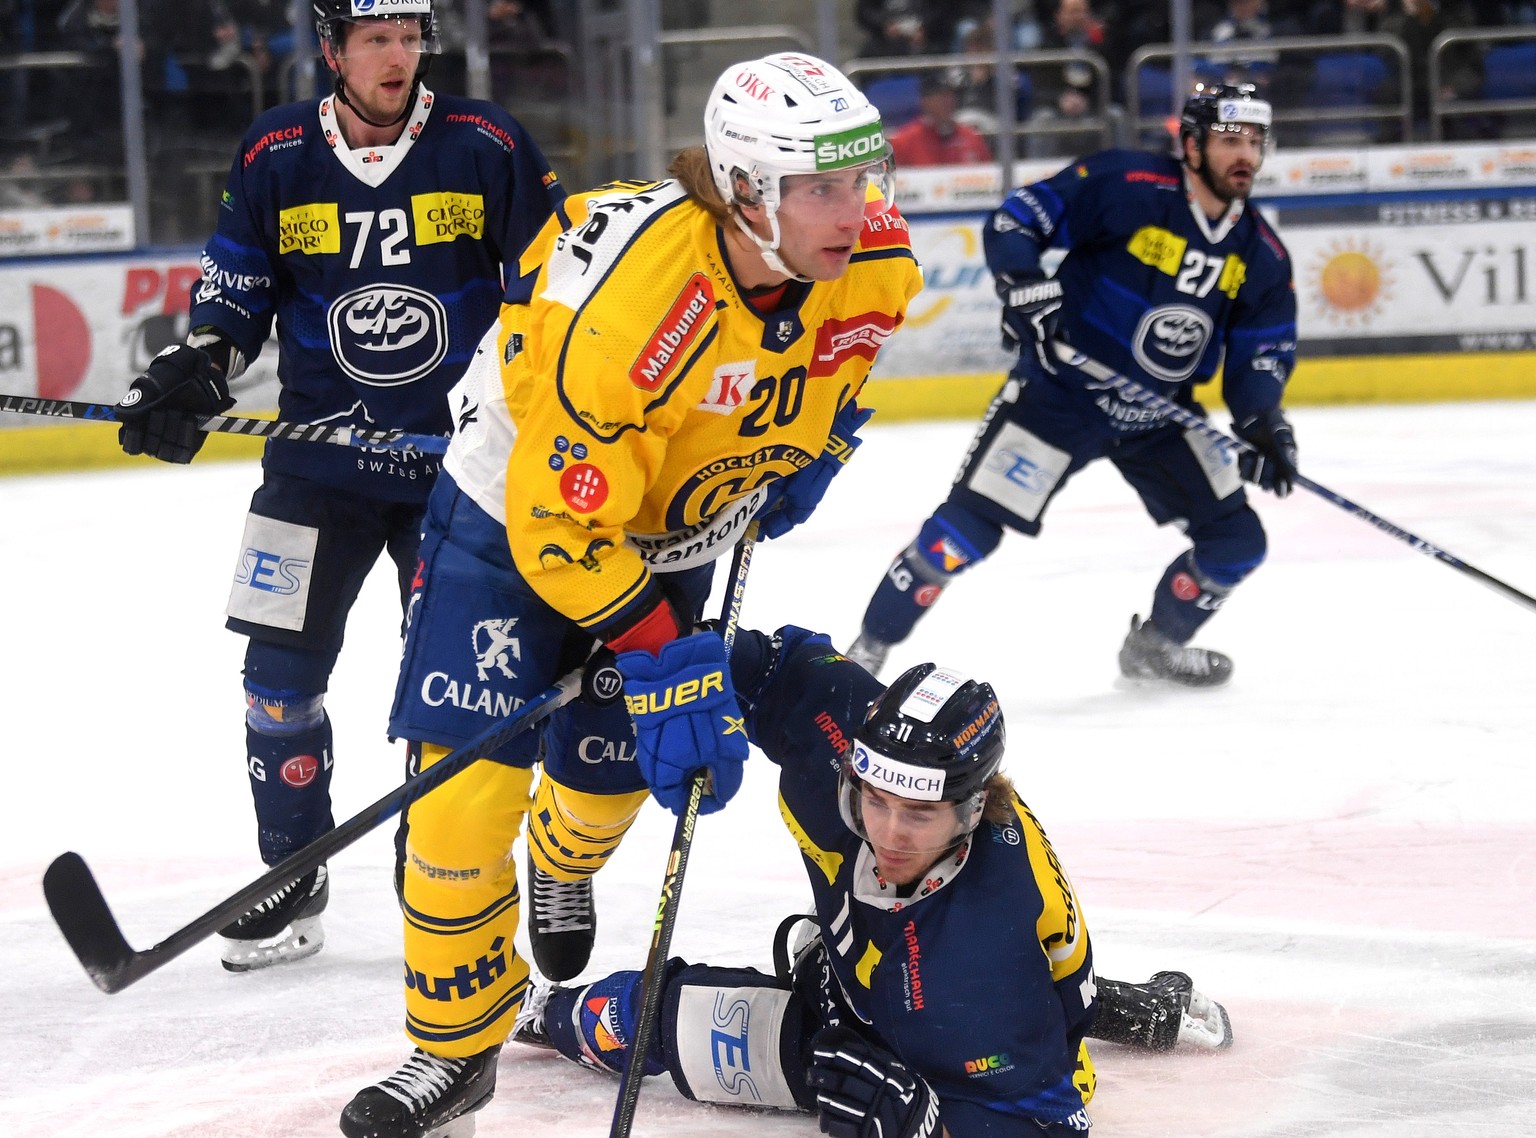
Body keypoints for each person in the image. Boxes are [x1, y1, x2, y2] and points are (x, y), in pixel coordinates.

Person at [337, 52, 923, 1138]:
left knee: (609, 775)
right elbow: (560, 528)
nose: (857, 210)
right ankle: (453, 1050)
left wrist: (810, 447)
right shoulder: (639, 305)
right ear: (747, 190)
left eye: (862, 178)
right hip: (515, 510)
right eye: (822, 188)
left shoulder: (875, 253)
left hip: (677, 517)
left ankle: (563, 866)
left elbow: (841, 365)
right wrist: (659, 653)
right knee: (461, 794)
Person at [110, 0, 564, 973]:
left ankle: (440, 868)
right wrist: (197, 365)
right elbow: (235, 288)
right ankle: (292, 868)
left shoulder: (484, 142)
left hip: (462, 476)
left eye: (410, 37)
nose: (398, 56)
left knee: (448, 688)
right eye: (375, 39)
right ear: (332, 51)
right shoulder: (275, 152)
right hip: (315, 468)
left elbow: (549, 292)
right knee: (275, 683)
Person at [511, 624, 1233, 1137]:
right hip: (901, 979)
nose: (887, 832)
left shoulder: (977, 964)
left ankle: (547, 1011)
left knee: (666, 1021)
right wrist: (669, 657)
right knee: (804, 964)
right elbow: (775, 671)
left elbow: (1049, 1117)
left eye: (919, 814)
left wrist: (925, 1126)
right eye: (873, 797)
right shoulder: (856, 739)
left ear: (975, 808)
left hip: (958, 1046)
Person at [846, 82, 1300, 689]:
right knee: (960, 536)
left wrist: (1262, 421)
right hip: (1060, 397)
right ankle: (866, 652)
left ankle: (1156, 646)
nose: (1244, 154)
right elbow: (1018, 218)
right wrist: (1023, 281)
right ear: (1191, 145)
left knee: (1237, 541)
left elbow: (1260, 353)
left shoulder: (1261, 253)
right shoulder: (1125, 183)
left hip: (1158, 413)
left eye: (1254, 142)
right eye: (1228, 140)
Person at [888, 69, 993, 168]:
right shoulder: (904, 142)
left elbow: (989, 178)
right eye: (941, 96)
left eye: (951, 95)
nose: (948, 101)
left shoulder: (971, 138)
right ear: (925, 101)